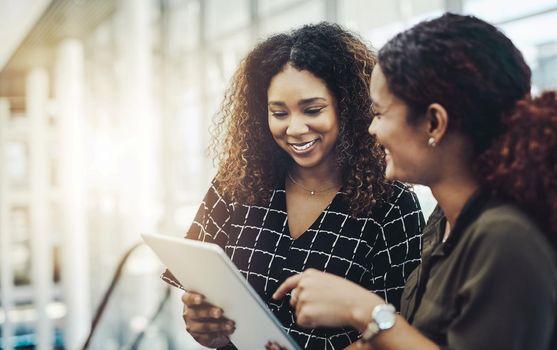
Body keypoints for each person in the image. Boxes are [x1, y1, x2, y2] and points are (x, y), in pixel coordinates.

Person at [272, 13, 557, 350]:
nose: (371, 130)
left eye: (380, 114)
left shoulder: (505, 237)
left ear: (434, 123)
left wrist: (362, 309)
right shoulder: (444, 221)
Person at [161, 22, 424, 349]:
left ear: (348, 106)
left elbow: (400, 330)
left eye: (313, 109)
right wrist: (203, 324)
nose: (295, 128)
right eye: (279, 112)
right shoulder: (237, 180)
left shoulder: (393, 205)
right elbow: (200, 294)